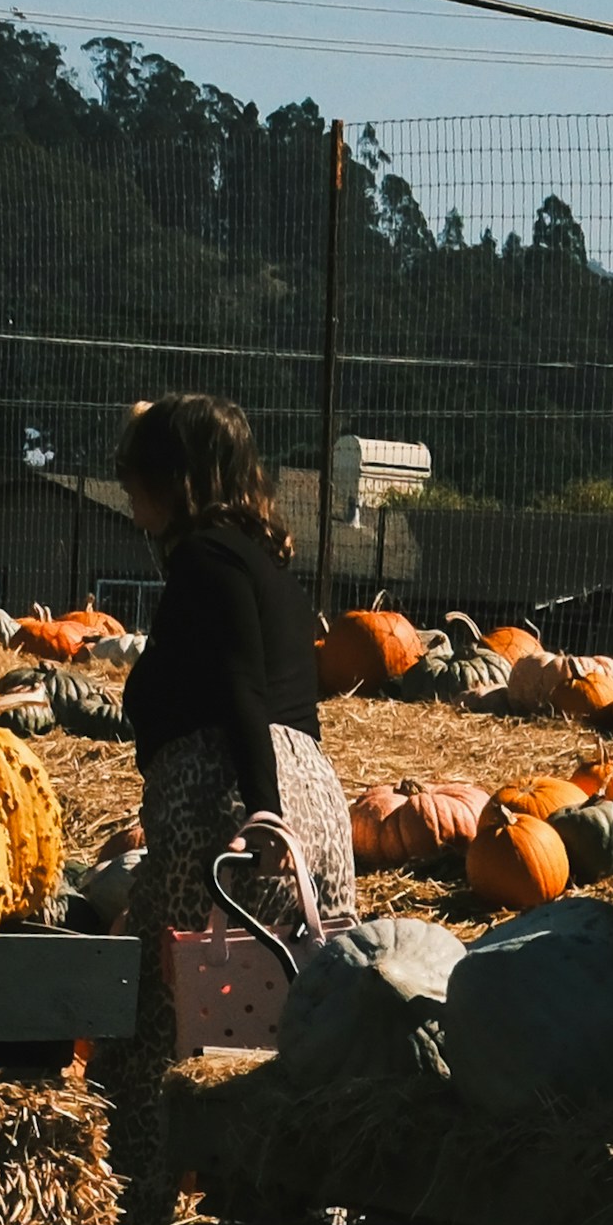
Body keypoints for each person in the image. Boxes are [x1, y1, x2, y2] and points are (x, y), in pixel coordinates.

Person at [111, 393, 353, 936]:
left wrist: (264, 812)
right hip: (317, 808)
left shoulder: (207, 559)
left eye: (139, 466)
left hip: (230, 813)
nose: (126, 480)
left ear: (176, 476)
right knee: (286, 1003)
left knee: (170, 997)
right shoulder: (272, 572)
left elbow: (241, 688)